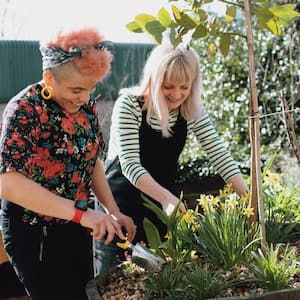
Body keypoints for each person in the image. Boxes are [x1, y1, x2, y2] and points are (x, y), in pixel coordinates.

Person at [0, 27, 136, 300]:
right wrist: (82, 214)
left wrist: (111, 210)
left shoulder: (85, 106)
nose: (85, 98)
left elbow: (92, 159)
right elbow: (8, 183)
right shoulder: (24, 110)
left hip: (74, 224)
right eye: (76, 89)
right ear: (49, 77)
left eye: (91, 88)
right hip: (30, 229)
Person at [95, 41, 248, 274]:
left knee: (163, 280)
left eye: (184, 87)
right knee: (115, 281)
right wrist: (167, 198)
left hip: (161, 210)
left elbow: (219, 154)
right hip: (120, 209)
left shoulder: (190, 109)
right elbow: (130, 165)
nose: (177, 95)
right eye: (168, 86)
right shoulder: (130, 104)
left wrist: (249, 198)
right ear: (154, 81)